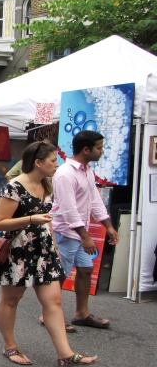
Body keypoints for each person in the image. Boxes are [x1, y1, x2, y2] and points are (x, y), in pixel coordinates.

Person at [0, 141, 98, 367]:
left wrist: (55, 249)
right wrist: (31, 219)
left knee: (53, 301)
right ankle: (10, 346)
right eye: (52, 161)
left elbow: (48, 223)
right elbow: (1, 223)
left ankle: (65, 353)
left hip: (44, 250)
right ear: (38, 162)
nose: (56, 165)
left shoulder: (47, 185)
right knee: (11, 299)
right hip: (18, 251)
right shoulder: (14, 187)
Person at [51, 131, 119, 329]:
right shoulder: (65, 173)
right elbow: (68, 208)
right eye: (99, 147)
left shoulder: (86, 170)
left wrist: (108, 226)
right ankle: (49, 315)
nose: (102, 151)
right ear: (86, 149)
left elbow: (95, 199)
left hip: (79, 232)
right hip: (66, 232)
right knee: (59, 274)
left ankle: (81, 313)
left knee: (86, 269)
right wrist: (85, 236)